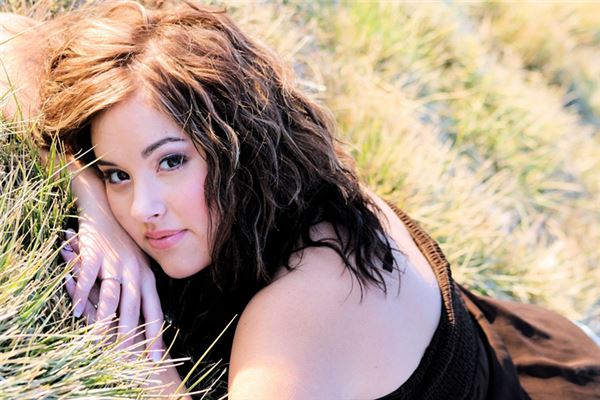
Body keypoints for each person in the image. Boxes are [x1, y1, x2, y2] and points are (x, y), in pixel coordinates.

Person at [2, 1, 600, 399]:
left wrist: (151, 372)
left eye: (172, 161)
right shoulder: (281, 186)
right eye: (118, 172)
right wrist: (92, 201)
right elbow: (9, 41)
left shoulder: (301, 305)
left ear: (240, 145)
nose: (142, 209)